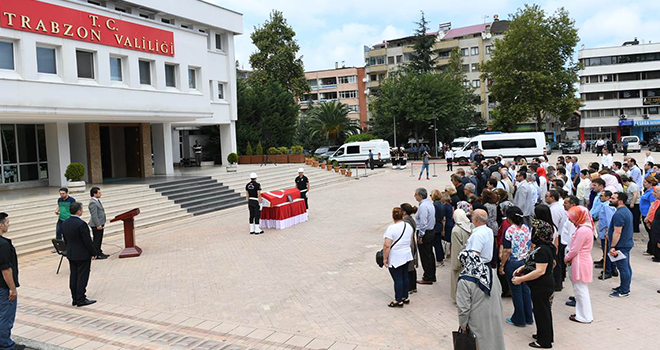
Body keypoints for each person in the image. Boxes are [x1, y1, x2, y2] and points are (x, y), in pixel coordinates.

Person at [512, 219, 556, 349]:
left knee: (542, 312)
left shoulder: (543, 249)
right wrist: (522, 269)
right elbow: (534, 263)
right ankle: (544, 334)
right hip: (540, 285)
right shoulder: (543, 247)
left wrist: (521, 279)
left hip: (542, 285)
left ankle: (544, 341)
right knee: (542, 311)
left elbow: (540, 271)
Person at [456, 250, 506, 350]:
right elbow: (499, 290)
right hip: (495, 314)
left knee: (481, 344)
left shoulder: (464, 280)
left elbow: (463, 308)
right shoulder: (490, 272)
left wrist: (463, 325)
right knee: (496, 341)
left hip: (477, 320)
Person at [500, 206, 533, 327]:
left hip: (513, 262)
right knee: (525, 289)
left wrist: (502, 265)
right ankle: (528, 316)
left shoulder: (509, 231)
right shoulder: (526, 228)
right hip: (524, 261)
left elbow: (507, 251)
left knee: (516, 291)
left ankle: (519, 318)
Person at [62, 202, 97, 307]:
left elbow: (66, 239)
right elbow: (87, 241)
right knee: (82, 276)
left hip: (71, 253)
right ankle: (81, 298)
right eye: (81, 209)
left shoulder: (65, 223)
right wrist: (93, 252)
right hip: (82, 254)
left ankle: (75, 298)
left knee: (74, 275)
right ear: (78, 211)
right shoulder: (81, 224)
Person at [565, 206, 595, 324]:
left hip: (579, 262)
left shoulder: (583, 230)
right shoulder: (585, 228)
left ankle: (584, 316)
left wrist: (566, 258)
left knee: (580, 290)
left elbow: (574, 249)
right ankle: (582, 314)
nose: (570, 220)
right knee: (581, 289)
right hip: (582, 260)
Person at [382, 207, 414, 307]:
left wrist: (385, 258)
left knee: (397, 278)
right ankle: (405, 296)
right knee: (405, 276)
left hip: (396, 257)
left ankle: (398, 299)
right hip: (406, 254)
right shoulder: (408, 226)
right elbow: (411, 240)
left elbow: (387, 245)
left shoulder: (391, 228)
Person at [0, 213, 23, 350]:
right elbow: (6, 269)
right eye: (7, 222)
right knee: (5, 315)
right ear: (1, 225)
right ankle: (5, 344)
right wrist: (12, 288)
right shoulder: (3, 245)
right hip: (3, 287)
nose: (9, 224)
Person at [608, 192, 634, 298]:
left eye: (613, 198)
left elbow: (617, 232)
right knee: (626, 267)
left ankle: (624, 290)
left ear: (620, 201)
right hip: (625, 243)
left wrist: (613, 246)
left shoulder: (619, 214)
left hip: (621, 245)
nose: (610, 199)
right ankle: (624, 286)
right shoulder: (625, 211)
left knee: (623, 268)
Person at [414, 188, 436, 284]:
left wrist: (420, 235)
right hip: (430, 231)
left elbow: (423, 222)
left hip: (425, 232)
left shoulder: (423, 206)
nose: (415, 196)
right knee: (429, 254)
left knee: (425, 255)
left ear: (420, 195)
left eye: (416, 195)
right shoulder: (429, 204)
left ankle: (428, 277)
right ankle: (431, 275)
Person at [451, 209, 472, 301]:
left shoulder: (456, 230)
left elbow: (456, 249)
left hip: (460, 260)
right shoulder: (471, 226)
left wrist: (456, 265)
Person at [401, 203, 419, 294]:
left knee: (408, 267)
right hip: (412, 244)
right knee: (411, 266)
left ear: (404, 212)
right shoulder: (411, 219)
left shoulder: (406, 222)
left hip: (409, 245)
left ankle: (410, 287)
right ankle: (413, 286)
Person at [88, 187, 108, 260]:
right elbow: (94, 215)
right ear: (94, 194)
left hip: (101, 222)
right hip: (96, 224)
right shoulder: (92, 202)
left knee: (99, 239)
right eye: (99, 193)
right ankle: (96, 254)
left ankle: (99, 251)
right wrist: (98, 225)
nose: (100, 194)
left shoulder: (97, 200)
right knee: (97, 240)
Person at [431, 190, 446, 267]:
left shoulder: (434, 205)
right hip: (439, 225)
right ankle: (441, 258)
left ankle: (439, 260)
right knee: (438, 243)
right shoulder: (441, 204)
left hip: (435, 226)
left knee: (436, 244)